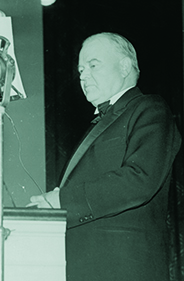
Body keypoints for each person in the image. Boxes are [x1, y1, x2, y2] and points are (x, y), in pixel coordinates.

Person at [28, 32, 182, 281]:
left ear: (124, 66)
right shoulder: (98, 122)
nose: (83, 75)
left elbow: (140, 179)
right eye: (80, 69)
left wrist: (62, 200)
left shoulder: (150, 109)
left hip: (123, 269)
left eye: (93, 65)